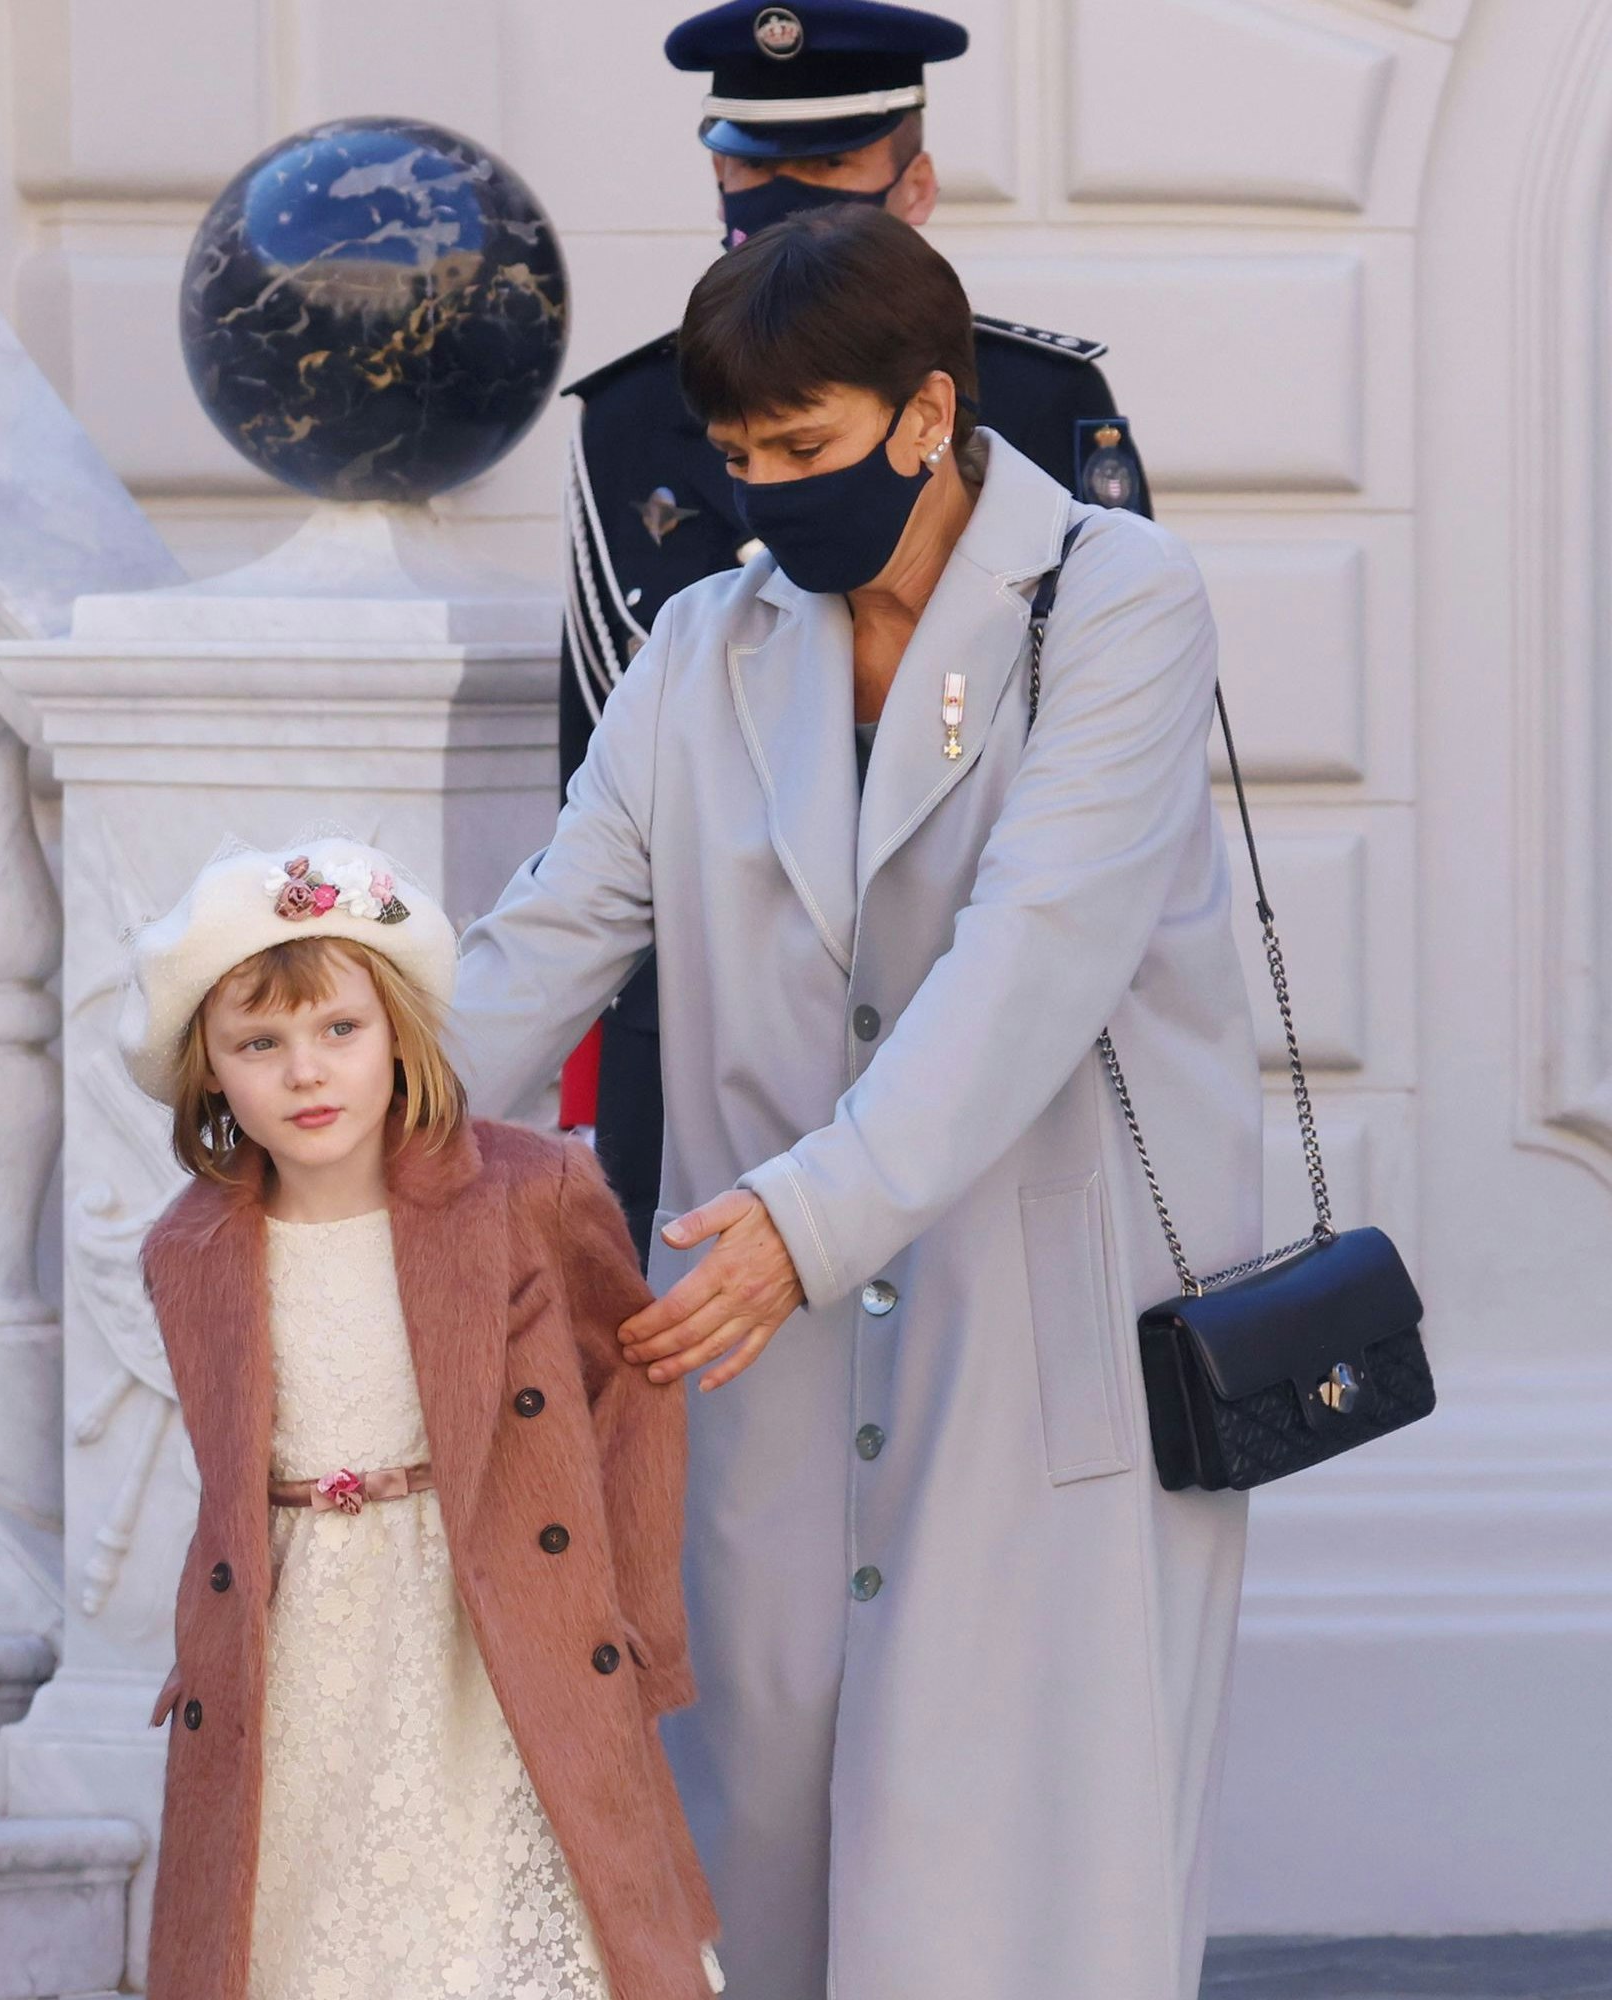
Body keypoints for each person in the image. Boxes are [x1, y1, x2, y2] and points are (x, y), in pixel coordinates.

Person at [457, 205, 1259, 1998]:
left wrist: (808, 1224)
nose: (763, 497)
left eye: (801, 450)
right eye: (738, 457)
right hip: (758, 1341)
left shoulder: (1119, 603)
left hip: (1047, 1319)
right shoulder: (701, 645)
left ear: (926, 412)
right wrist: (361, 1118)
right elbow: (559, 925)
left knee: (1034, 1855)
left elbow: (1036, 955)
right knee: (772, 1828)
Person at [555, 0, 1152, 1254]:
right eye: (752, 167)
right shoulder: (630, 415)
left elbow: (1094, 792)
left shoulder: (1040, 403)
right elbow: (603, 805)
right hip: (718, 1037)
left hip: (985, 1038)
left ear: (912, 180)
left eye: (825, 167)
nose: (783, 201)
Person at [126, 838, 717, 2000]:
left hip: (490, 1631)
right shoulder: (188, 1248)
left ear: (397, 1030)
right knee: (314, 1942)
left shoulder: (527, 1190)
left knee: (497, 1935)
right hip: (300, 1665)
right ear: (211, 1076)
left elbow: (634, 1387)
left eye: (337, 1029)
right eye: (260, 1044)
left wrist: (634, 1619)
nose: (306, 1071)